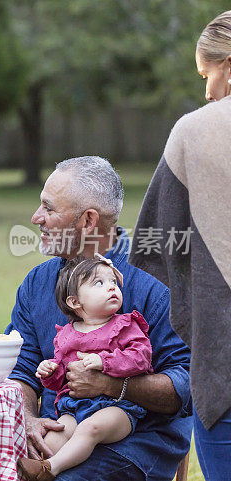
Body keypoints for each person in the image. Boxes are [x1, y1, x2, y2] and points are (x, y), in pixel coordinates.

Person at [5, 156, 191, 481]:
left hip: (137, 439)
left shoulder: (155, 283)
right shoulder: (37, 283)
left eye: (49, 209)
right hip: (57, 428)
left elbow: (187, 385)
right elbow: (20, 367)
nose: (36, 218)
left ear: (88, 220)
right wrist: (27, 418)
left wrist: (111, 384)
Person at [129, 10, 231, 481]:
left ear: (227, 65)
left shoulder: (196, 131)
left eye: (206, 74)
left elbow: (155, 244)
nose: (207, 90)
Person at [17, 256, 154, 480]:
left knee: (89, 429)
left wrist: (105, 362)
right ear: (74, 302)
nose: (111, 287)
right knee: (56, 435)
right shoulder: (66, 334)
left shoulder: (125, 325)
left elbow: (142, 358)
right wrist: (50, 372)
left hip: (118, 408)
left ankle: (51, 469)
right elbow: (63, 380)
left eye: (113, 282)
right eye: (99, 283)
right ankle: (36, 469)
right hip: (74, 407)